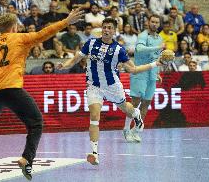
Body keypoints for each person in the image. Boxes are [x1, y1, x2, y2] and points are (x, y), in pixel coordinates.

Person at [0, 9, 84, 180]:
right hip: (11, 88)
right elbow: (44, 33)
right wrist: (65, 22)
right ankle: (26, 158)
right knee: (36, 123)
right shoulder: (19, 38)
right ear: (13, 27)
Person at [57, 18, 162, 165]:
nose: (106, 30)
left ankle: (137, 115)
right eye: (104, 27)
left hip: (113, 86)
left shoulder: (119, 50)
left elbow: (133, 69)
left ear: (114, 31)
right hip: (94, 86)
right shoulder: (91, 43)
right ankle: (94, 153)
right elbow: (75, 59)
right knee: (94, 116)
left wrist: (155, 64)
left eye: (110, 28)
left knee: (126, 109)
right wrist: (64, 65)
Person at [123, 14, 165, 143]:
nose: (154, 24)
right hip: (139, 72)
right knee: (135, 102)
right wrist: (158, 47)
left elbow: (156, 57)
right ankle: (126, 129)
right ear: (148, 22)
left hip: (152, 73)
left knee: (146, 103)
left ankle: (135, 131)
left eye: (157, 22)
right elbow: (140, 49)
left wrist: (156, 72)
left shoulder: (160, 38)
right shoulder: (143, 36)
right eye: (152, 21)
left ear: (159, 24)